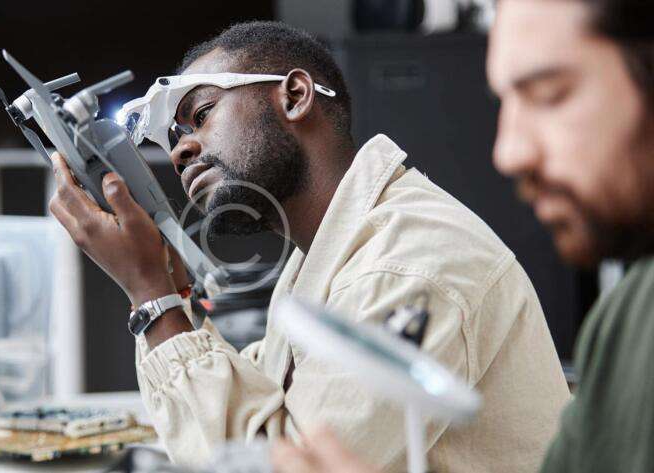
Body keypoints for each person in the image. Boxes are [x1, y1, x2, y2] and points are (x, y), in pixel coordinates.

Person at [48, 21, 569, 471]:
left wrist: (152, 298)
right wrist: (172, 289)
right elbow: (264, 410)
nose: (180, 149)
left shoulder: (406, 265)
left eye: (201, 114)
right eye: (174, 136)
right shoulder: (324, 257)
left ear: (295, 96)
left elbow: (280, 463)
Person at [272, 0, 654, 471]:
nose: (508, 153)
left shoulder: (412, 264)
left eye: (550, 94)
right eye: (504, 103)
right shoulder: (627, 315)